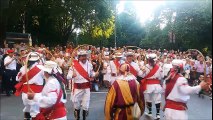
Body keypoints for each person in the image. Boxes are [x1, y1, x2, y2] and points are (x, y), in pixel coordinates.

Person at [67, 50, 98, 120]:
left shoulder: (89, 64)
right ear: (79, 57)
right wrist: (72, 75)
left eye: (85, 56)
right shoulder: (74, 65)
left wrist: (95, 74)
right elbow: (68, 76)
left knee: (85, 105)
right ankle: (77, 118)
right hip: (77, 88)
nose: (84, 58)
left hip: (86, 88)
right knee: (76, 105)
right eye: (82, 56)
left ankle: (84, 118)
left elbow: (91, 74)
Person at [15, 52, 44, 119]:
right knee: (36, 112)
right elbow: (46, 77)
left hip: (25, 93)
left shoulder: (23, 68)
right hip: (36, 93)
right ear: (37, 59)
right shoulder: (42, 68)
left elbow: (17, 79)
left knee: (27, 108)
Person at [140, 53, 163, 119]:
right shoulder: (159, 67)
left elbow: (142, 76)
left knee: (149, 99)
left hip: (149, 85)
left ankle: (151, 112)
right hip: (156, 85)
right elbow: (162, 76)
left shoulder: (145, 66)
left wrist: (143, 71)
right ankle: (157, 114)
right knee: (156, 99)